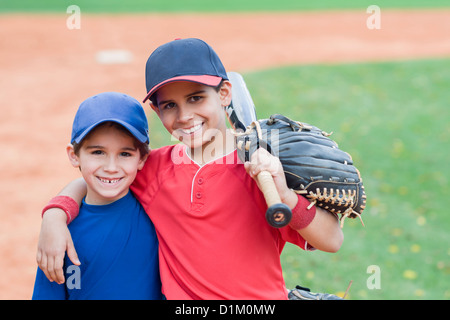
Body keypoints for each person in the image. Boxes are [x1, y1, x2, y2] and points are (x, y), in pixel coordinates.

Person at [36, 38, 343, 300]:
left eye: (196, 98)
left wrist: (286, 194)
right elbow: (99, 176)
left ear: (224, 94)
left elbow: (332, 240)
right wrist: (55, 214)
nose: (184, 116)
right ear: (156, 111)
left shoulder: (263, 173)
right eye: (169, 105)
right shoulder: (152, 168)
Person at [32, 92, 162, 300]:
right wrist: (54, 215)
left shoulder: (157, 213)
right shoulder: (60, 235)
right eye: (98, 152)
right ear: (74, 156)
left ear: (142, 159)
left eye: (125, 154)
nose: (111, 167)